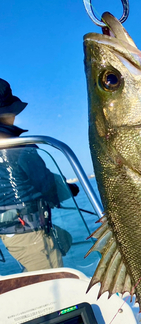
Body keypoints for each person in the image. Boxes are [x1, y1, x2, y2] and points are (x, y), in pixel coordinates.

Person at [0, 78, 79, 272]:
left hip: (12, 232)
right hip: (28, 231)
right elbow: (46, 184)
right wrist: (71, 189)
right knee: (53, 281)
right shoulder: (17, 148)